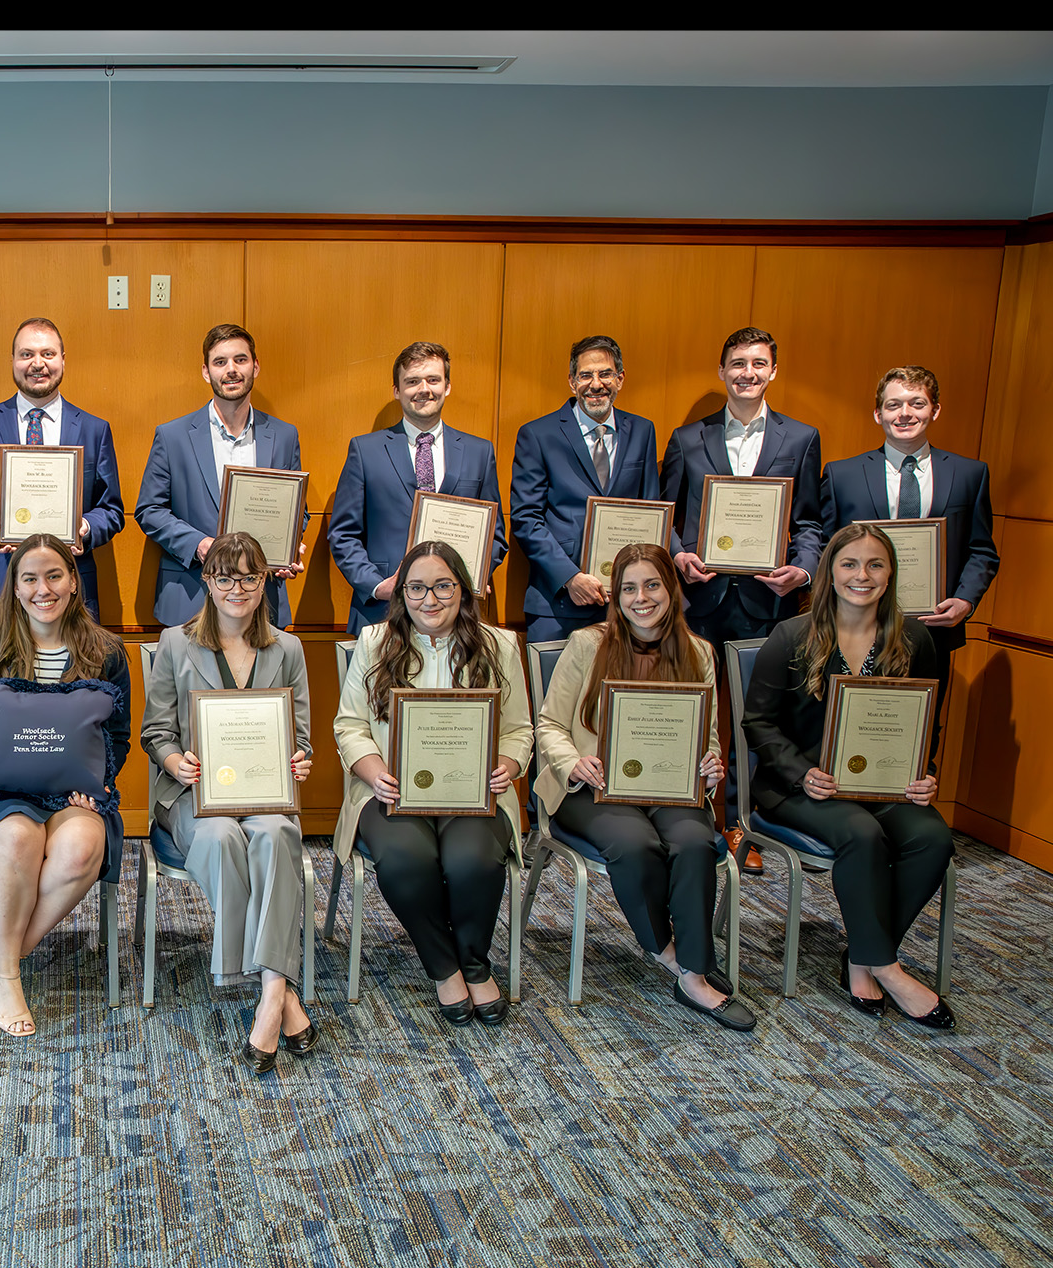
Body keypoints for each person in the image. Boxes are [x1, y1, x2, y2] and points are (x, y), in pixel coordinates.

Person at [740, 523, 955, 1029]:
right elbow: (758, 723)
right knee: (861, 834)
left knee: (932, 839)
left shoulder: (915, 638)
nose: (863, 575)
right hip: (799, 788)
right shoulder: (791, 636)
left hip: (884, 786)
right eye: (850, 564)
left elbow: (926, 724)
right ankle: (887, 967)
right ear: (829, 573)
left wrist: (926, 774)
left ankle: (863, 955)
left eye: (875, 564)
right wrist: (802, 772)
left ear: (891, 573)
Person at [533, 543, 754, 1030]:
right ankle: (677, 959)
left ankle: (693, 962)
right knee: (635, 845)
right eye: (628, 588)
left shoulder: (699, 651)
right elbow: (549, 724)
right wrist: (574, 762)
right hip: (588, 788)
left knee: (695, 841)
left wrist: (711, 766)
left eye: (652, 584)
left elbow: (709, 736)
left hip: (670, 786)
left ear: (671, 590)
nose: (640, 598)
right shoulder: (587, 644)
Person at [333, 541, 532, 1026]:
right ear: (402, 593)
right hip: (392, 792)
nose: (430, 598)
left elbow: (520, 728)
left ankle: (474, 963)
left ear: (463, 590)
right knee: (406, 860)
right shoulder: (375, 642)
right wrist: (375, 773)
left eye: (443, 585)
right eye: (417, 587)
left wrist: (508, 763)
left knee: (473, 861)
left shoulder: (499, 644)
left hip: (474, 792)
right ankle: (445, 967)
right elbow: (350, 725)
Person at [140, 532, 316, 1072]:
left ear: (265, 582)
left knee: (277, 833)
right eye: (225, 577)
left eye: (248, 576)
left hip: (263, 793)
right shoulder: (175, 642)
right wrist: (176, 763)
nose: (236, 587)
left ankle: (268, 995)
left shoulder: (287, 648)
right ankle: (283, 994)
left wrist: (300, 760)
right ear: (208, 583)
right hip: (194, 792)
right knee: (220, 837)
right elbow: (155, 732)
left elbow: (301, 735)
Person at [0, 533, 130, 1037]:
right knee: (18, 837)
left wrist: (97, 784)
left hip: (72, 791)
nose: (42, 588)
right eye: (30, 578)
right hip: (0, 792)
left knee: (79, 848)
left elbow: (118, 735)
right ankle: (7, 976)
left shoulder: (107, 651)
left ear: (74, 582)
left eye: (55, 575)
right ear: (15, 586)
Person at [662, 328, 825, 875]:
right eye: (737, 363)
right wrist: (680, 555)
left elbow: (808, 521)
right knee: (693, 713)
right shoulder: (687, 438)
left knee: (755, 720)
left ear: (773, 371)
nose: (747, 373)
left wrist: (802, 569)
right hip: (701, 598)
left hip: (767, 600)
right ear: (722, 371)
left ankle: (744, 825)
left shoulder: (800, 439)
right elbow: (665, 518)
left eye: (758, 364)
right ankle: (687, 818)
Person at [0, 317, 127, 631]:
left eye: (47, 354)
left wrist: (84, 527)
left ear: (62, 360)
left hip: (71, 591)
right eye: (26, 354)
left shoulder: (94, 429)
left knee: (73, 680)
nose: (37, 363)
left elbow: (113, 511)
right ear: (13, 361)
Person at [820, 366, 998, 677]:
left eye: (917, 403)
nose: (905, 413)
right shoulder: (841, 476)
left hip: (933, 631)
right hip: (853, 626)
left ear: (935, 410)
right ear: (878, 414)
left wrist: (965, 601)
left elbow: (981, 549)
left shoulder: (970, 474)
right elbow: (826, 548)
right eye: (893, 405)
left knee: (925, 724)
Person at [326, 341, 508, 632]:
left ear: (447, 386)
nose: (424, 389)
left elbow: (495, 535)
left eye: (433, 380)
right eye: (412, 381)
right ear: (397, 390)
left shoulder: (480, 452)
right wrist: (376, 585)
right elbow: (343, 534)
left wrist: (473, 575)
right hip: (384, 612)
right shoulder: (365, 450)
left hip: (458, 614)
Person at [136, 323, 307, 629]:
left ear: (255, 366)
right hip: (191, 598)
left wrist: (289, 544)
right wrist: (200, 544)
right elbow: (149, 510)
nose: (231, 370)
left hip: (262, 601)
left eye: (240, 360)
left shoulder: (284, 436)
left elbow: (297, 509)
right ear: (206, 371)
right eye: (220, 362)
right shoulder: (172, 436)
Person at [509, 335, 666, 642]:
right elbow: (526, 518)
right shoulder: (538, 434)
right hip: (559, 603)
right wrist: (570, 578)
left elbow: (651, 510)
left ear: (619, 379)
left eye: (605, 374)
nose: (596, 384)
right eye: (585, 375)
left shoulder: (643, 431)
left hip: (629, 604)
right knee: (556, 691)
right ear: (572, 382)